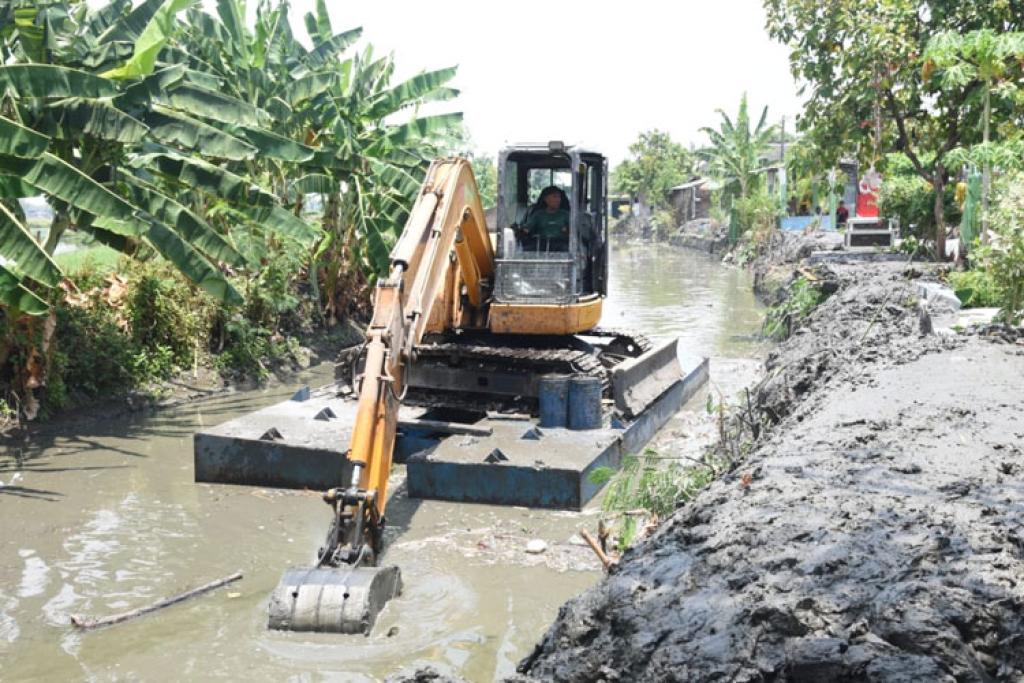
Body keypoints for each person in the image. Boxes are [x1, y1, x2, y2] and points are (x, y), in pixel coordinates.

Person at [522, 186, 570, 250]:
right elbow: (526, 229)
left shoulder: (566, 215)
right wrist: (520, 231)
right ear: (546, 199)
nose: (558, 200)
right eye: (554, 197)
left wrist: (568, 231)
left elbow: (574, 232)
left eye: (559, 197)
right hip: (541, 244)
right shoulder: (538, 215)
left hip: (561, 244)